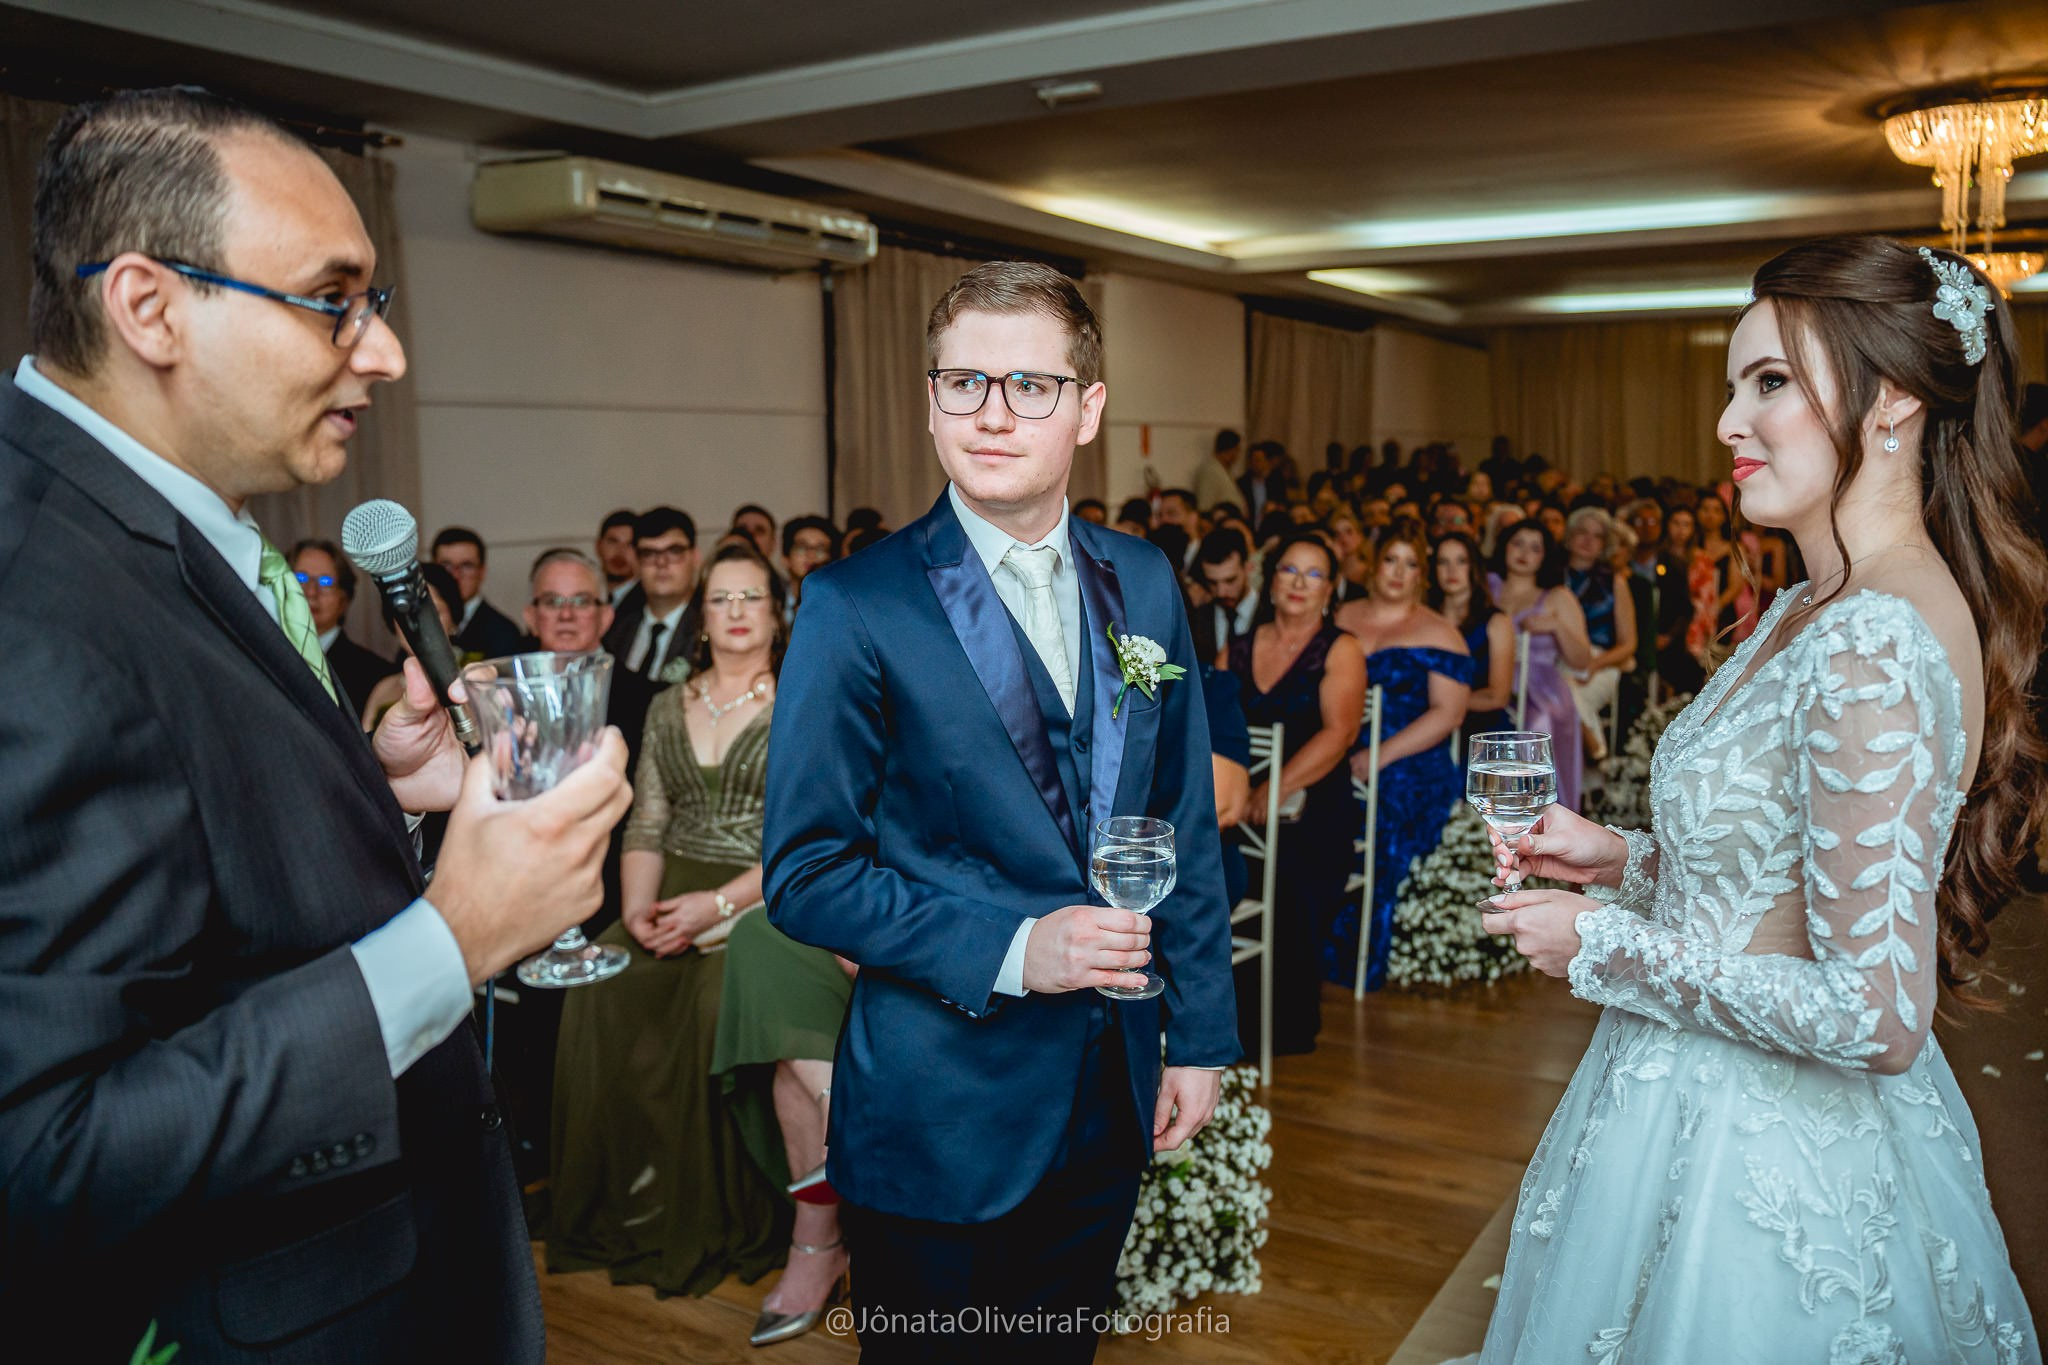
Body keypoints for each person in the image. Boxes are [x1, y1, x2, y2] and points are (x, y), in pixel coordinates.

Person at [0, 87, 633, 1362]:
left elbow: (176, 839)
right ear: (148, 305)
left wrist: (368, 789)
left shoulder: (157, 525)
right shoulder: (32, 593)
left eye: (376, 305)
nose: (382, 353)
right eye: (331, 299)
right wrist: (453, 942)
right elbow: (46, 1153)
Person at [1468, 238, 2045, 1364]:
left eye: (1768, 382)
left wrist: (1602, 947)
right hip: (1680, 1096)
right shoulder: (1809, 606)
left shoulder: (1873, 636)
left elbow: (1875, 1018)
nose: (1727, 422)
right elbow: (1778, 878)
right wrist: (1620, 860)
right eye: (1733, 385)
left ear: (1888, 404)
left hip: (1766, 1148)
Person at [764, 261, 1237, 1363]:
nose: (991, 412)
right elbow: (805, 874)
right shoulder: (853, 603)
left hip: (1108, 1084)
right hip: (940, 1106)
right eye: (964, 382)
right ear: (930, 402)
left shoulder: (1146, 579)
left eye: (1029, 384)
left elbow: (1180, 823)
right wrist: (1020, 947)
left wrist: (1201, 1035)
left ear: (1086, 409)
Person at [549, 543, 798, 1305]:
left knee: (710, 1000)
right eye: (719, 599)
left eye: (749, 597)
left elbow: (806, 836)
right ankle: (634, 1196)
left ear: (776, 611)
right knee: (602, 977)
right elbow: (649, 820)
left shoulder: (803, 700)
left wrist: (717, 905)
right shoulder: (667, 702)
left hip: (767, 895)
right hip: (669, 886)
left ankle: (719, 1208)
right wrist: (633, 912)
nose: (733, 613)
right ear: (701, 615)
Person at [486, 548, 660, 1184]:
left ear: (605, 614)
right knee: (530, 1041)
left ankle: (614, 1168)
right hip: (524, 902)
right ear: (531, 614)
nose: (566, 615)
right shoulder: (498, 702)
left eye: (580, 601)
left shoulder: (649, 701)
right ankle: (547, 1161)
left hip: (615, 900)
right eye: (552, 602)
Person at [1225, 531, 1365, 1050]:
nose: (1299, 584)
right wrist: (1242, 792)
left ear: (1331, 589)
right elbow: (1215, 727)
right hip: (1241, 802)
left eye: (1314, 574)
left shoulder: (1341, 647)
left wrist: (1274, 787)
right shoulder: (1237, 647)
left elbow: (1340, 734)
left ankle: (1278, 1023)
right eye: (1289, 570)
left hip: (1316, 805)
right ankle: (1216, 1014)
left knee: (1289, 873)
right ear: (1271, 580)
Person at [1332, 520, 1472, 990]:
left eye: (1410, 564)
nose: (1398, 572)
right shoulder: (1340, 615)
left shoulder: (1440, 632)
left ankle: (1361, 946)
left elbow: (1447, 715)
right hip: (1336, 745)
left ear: (1421, 575)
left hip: (1410, 757)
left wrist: (1378, 755)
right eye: (1391, 559)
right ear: (1374, 564)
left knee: (1389, 802)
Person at [1487, 521, 1593, 811]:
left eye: (1535, 548)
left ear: (1545, 556)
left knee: (1539, 723)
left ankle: (1539, 817)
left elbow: (1582, 661)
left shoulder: (1557, 596)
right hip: (1489, 678)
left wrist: (1556, 625)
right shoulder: (1486, 587)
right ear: (1504, 546)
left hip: (1542, 688)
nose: (1524, 553)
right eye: (1517, 543)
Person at [1561, 507, 1638, 761]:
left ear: (1604, 545)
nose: (1587, 540)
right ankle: (1593, 749)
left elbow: (1629, 644)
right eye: (1582, 532)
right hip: (1556, 656)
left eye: (1596, 536)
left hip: (1602, 661)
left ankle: (1588, 755)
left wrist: (1594, 664)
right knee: (1559, 685)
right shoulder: (1551, 576)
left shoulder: (1614, 581)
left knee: (1566, 690)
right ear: (1570, 536)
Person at [291, 536, 396, 714]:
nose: (310, 592)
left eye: (325, 582)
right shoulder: (262, 653)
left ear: (344, 598)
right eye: (300, 578)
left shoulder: (374, 674)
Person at [1431, 529, 1513, 750]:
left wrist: (1441, 707)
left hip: (1481, 731)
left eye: (1461, 561)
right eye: (1443, 562)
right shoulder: (1423, 619)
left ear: (1473, 566)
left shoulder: (1496, 621)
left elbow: (1497, 696)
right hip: (1427, 728)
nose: (1452, 570)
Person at [602, 505, 699, 685]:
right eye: (649, 553)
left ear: (695, 557)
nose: (661, 562)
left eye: (674, 551)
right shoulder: (616, 631)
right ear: (636, 561)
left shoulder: (708, 629)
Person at [430, 525, 523, 659]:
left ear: (482, 572)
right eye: (446, 565)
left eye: (466, 565)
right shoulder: (421, 625)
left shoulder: (503, 632)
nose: (455, 575)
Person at [1190, 526, 1257, 661]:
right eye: (1213, 583)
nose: (1221, 592)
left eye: (1230, 580)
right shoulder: (1196, 618)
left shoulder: (1271, 615)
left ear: (1248, 568)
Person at [780, 513, 839, 620]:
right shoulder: (774, 602)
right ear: (785, 559)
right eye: (802, 548)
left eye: (820, 550)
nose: (811, 556)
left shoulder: (841, 606)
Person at [596, 507, 640, 605]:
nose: (620, 552)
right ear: (598, 546)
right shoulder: (585, 593)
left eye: (630, 545)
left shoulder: (650, 601)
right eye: (613, 542)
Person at [1195, 427, 1243, 512]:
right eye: (1237, 450)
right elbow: (1205, 505)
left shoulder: (1224, 470)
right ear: (1230, 450)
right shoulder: (1210, 471)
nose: (1238, 455)